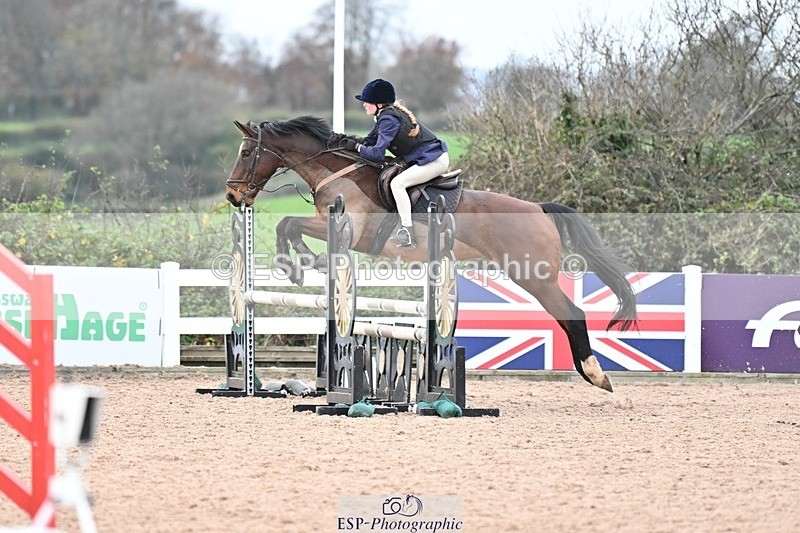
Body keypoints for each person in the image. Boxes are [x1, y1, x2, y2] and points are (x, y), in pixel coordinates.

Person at [342, 79, 449, 248]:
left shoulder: (389, 120)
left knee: (397, 183)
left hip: (434, 159)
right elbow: (369, 141)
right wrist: (348, 140)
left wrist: (356, 147)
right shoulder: (383, 116)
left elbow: (377, 154)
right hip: (423, 157)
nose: (363, 105)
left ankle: (407, 231)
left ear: (379, 104)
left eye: (366, 102)